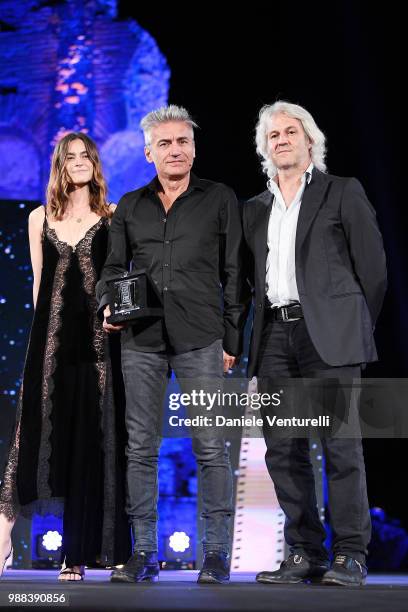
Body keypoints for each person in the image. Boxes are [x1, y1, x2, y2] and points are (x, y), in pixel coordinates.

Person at [97, 105, 249, 584]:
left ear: (194, 148)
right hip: (140, 339)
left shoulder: (219, 198)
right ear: (148, 153)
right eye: (164, 144)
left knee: (210, 448)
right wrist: (107, 303)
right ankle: (144, 554)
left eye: (182, 141)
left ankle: (216, 555)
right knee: (141, 448)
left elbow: (235, 272)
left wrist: (231, 336)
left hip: (202, 337)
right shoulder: (130, 206)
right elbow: (112, 269)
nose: (175, 149)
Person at [243, 101, 387, 586]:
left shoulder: (341, 192)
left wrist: (349, 324)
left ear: (310, 141)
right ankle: (304, 552)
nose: (281, 139)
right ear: (266, 147)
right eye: (273, 135)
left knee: (341, 447)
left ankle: (351, 553)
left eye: (290, 131)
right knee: (283, 451)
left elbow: (374, 271)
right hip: (273, 337)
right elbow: (248, 283)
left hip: (329, 337)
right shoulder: (254, 208)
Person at [0, 132, 130, 580]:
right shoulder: (40, 218)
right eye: (70, 157)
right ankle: (3, 538)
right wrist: (39, 351)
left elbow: (117, 282)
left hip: (98, 348)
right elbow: (40, 287)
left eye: (85, 156)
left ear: (95, 163)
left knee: (89, 444)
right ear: (59, 165)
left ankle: (75, 556)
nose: (78, 162)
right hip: (50, 345)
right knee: (33, 436)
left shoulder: (113, 217)